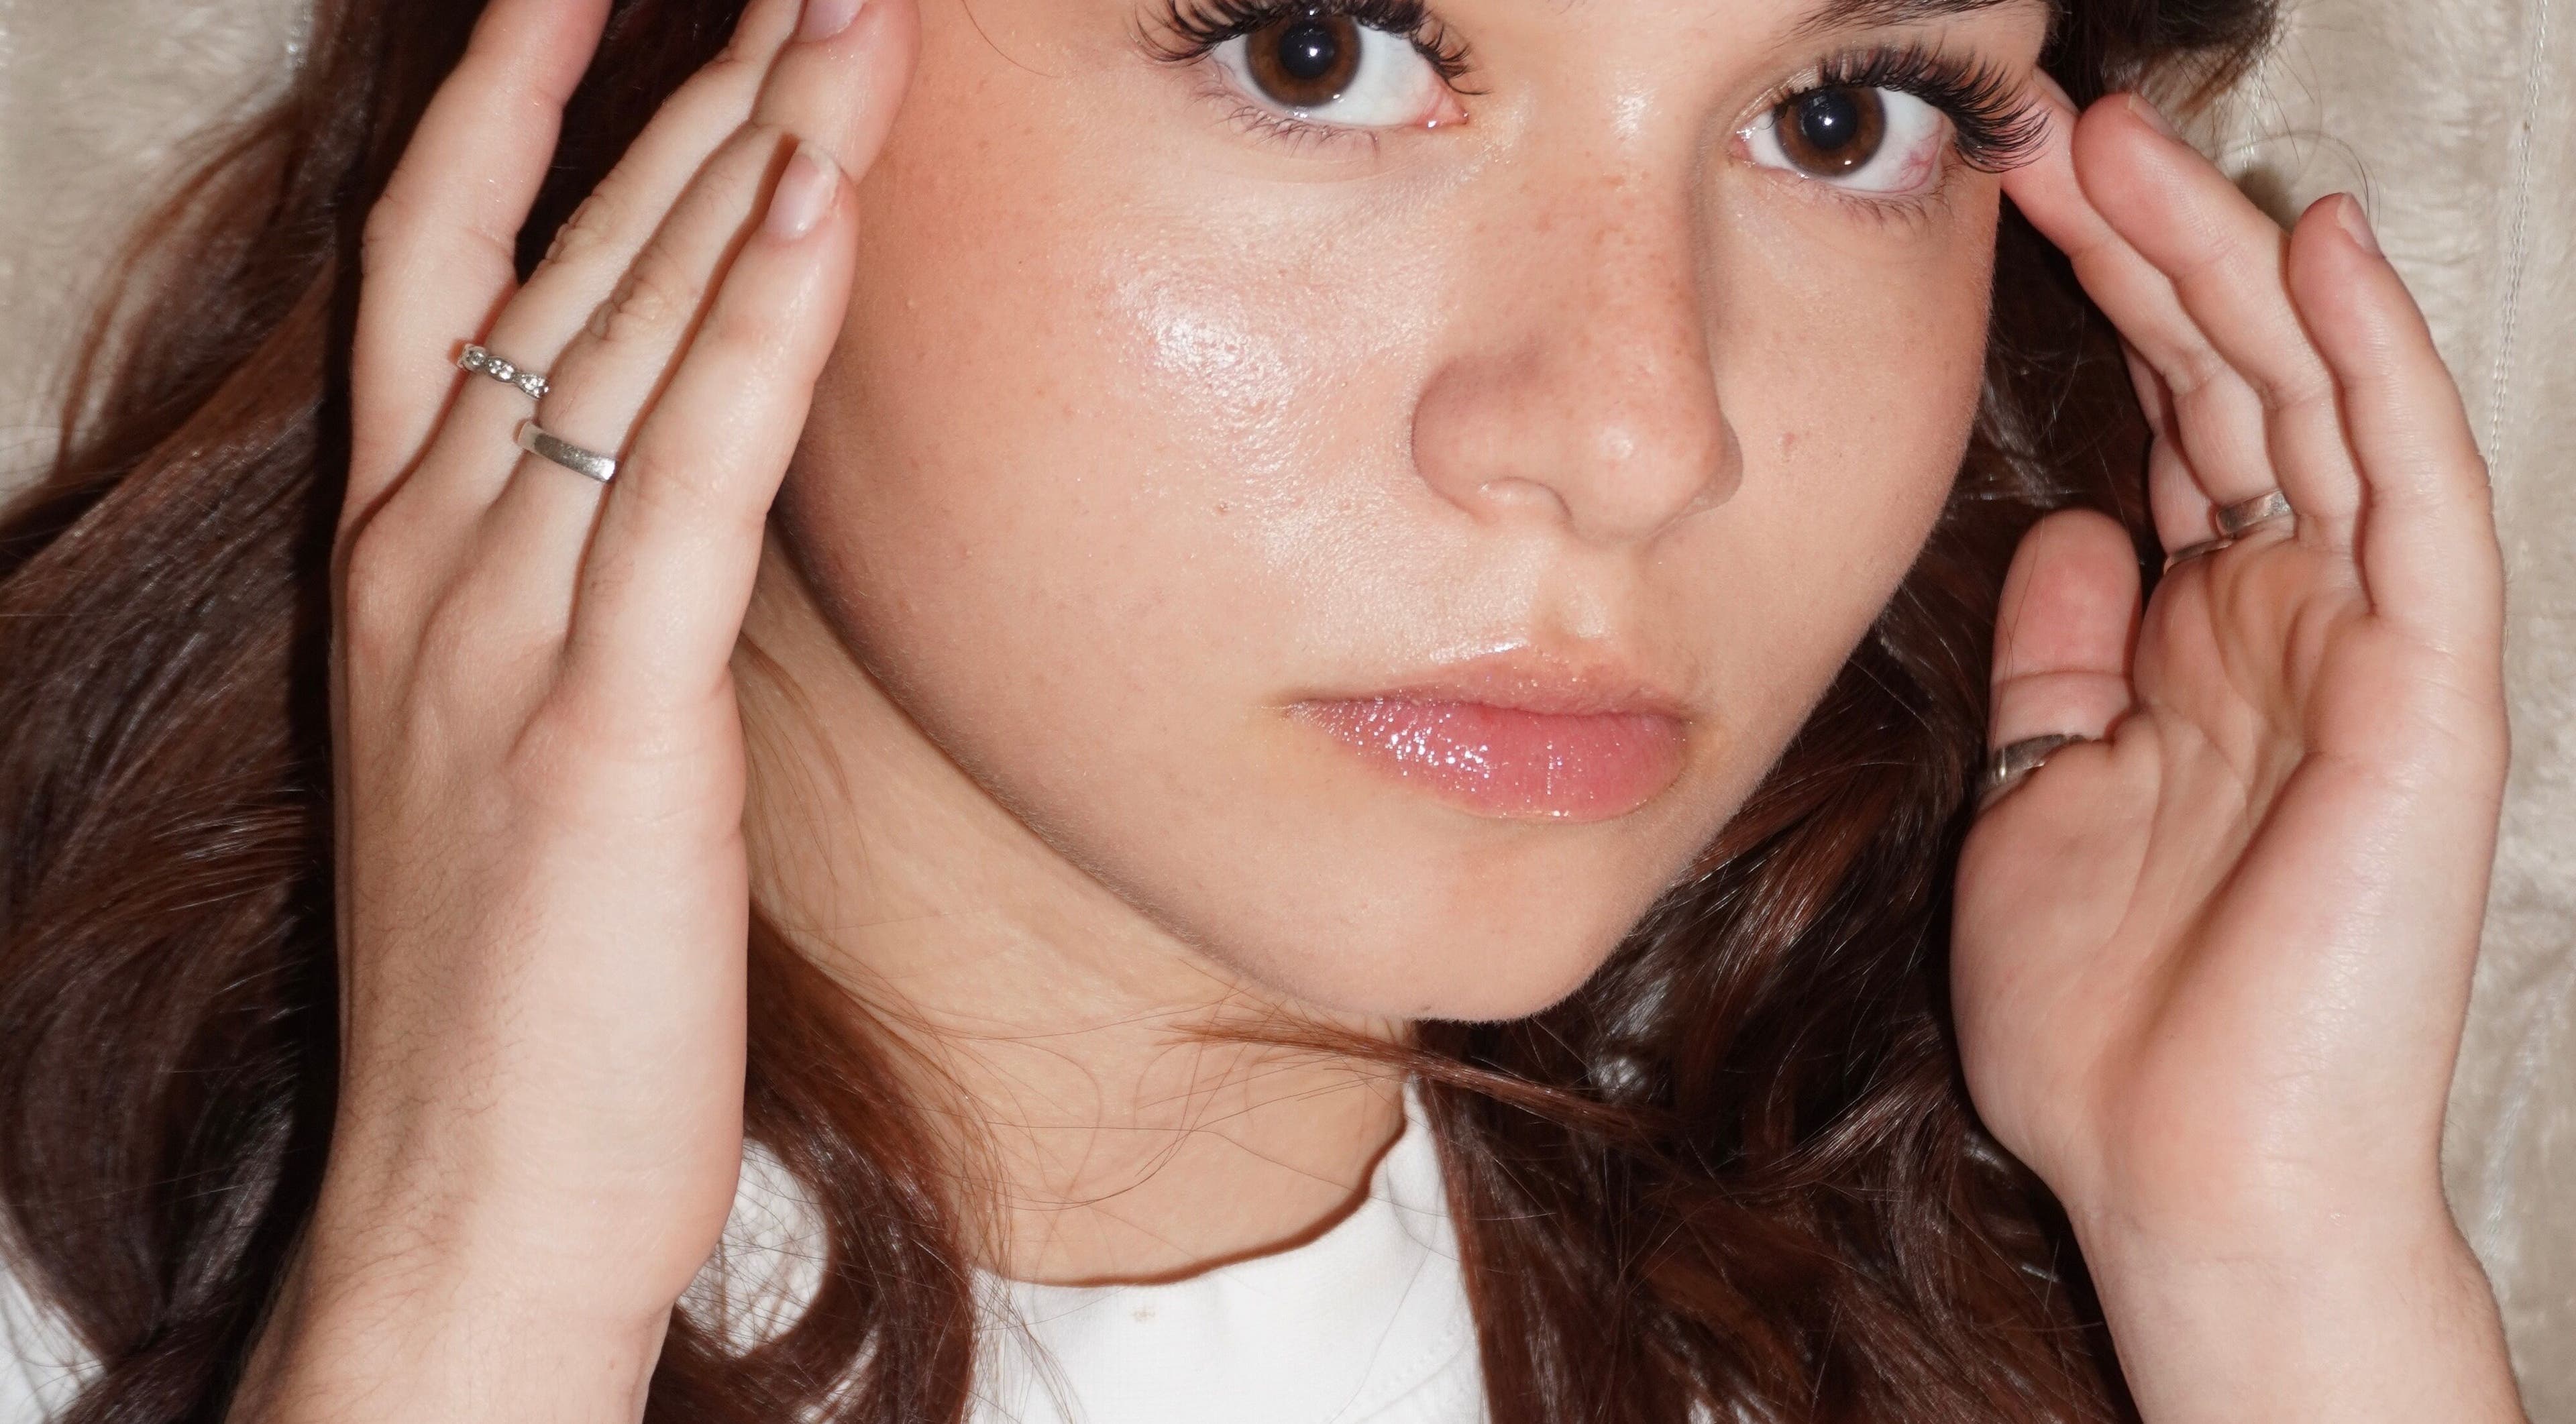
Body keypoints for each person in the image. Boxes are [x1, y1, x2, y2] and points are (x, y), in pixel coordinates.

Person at [0, 0, 2532, 1419]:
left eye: (1837, 118)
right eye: (1319, 50)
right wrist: (467, 1294)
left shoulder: (1971, 1255)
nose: (1646, 427)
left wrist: (2280, 1271)